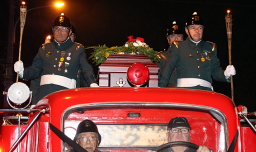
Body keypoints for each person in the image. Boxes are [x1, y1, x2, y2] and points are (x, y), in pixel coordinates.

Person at [14, 13, 98, 104]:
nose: (59, 32)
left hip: (65, 96)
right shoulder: (44, 48)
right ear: (53, 30)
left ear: (70, 32)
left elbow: (86, 68)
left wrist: (92, 83)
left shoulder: (77, 49)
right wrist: (22, 72)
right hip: (44, 97)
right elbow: (35, 71)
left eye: (63, 29)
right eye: (56, 28)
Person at [159, 12, 236, 91]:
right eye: (193, 28)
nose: (197, 31)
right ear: (186, 30)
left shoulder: (210, 47)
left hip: (206, 91)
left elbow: (215, 72)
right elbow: (168, 69)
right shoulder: (179, 46)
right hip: (185, 91)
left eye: (200, 28)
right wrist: (161, 89)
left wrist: (225, 74)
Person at [156, 21, 184, 87]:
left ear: (183, 39)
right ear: (168, 39)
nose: (176, 39)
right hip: (170, 92)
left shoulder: (189, 54)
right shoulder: (161, 57)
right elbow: (159, 80)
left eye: (179, 36)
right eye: (173, 36)